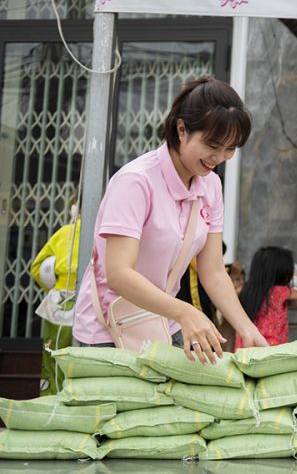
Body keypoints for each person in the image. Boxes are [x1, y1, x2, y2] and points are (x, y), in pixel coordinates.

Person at [72, 76, 268, 362]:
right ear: (181, 129)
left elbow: (212, 270)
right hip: (108, 332)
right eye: (212, 145)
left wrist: (247, 329)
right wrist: (185, 311)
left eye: (230, 149)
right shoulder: (135, 182)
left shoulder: (210, 186)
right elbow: (118, 274)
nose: (219, 157)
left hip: (164, 324)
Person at [30, 205, 81, 395]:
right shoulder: (102, 230)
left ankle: (50, 398)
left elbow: (37, 268)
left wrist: (53, 287)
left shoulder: (65, 232)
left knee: (52, 355)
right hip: (89, 300)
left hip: (58, 302)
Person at [236, 247, 297, 347]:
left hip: (245, 346)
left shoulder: (244, 289)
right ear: (282, 272)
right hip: (271, 348)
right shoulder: (280, 291)